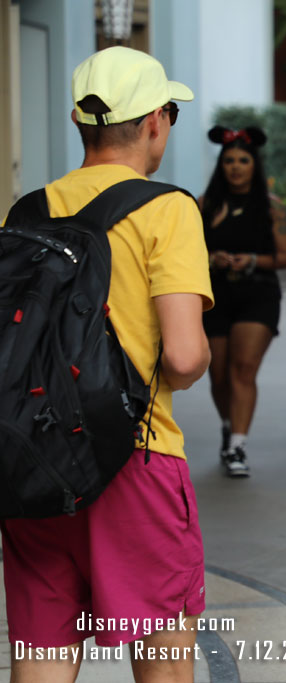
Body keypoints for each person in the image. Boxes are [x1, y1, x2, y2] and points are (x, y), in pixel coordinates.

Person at [0, 46, 212, 682]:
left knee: (41, 657)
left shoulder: (26, 211)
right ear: (154, 121)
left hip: (32, 464)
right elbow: (181, 357)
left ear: (77, 120)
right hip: (134, 460)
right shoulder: (167, 208)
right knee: (162, 662)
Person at [200, 125, 286, 477]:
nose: (236, 167)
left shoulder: (273, 208)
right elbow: (186, 251)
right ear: (220, 165)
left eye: (243, 160)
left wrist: (251, 260)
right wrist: (212, 258)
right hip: (215, 295)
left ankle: (237, 445)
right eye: (229, 161)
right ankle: (229, 424)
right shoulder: (203, 205)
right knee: (218, 375)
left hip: (258, 293)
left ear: (254, 164)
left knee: (243, 370)